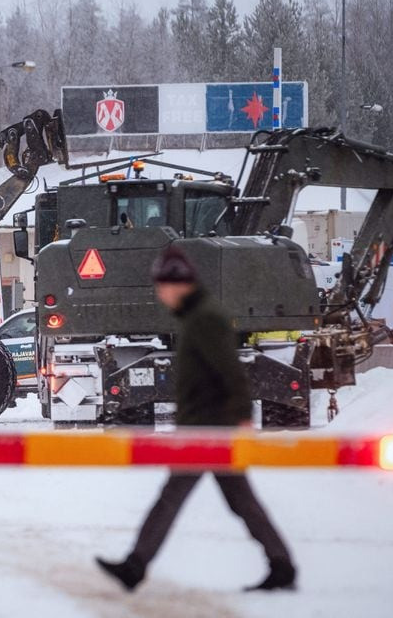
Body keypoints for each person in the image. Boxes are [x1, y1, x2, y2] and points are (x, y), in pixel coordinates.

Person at [95, 245, 296, 592]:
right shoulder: (196, 316)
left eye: (162, 287)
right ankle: (282, 565)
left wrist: (243, 418)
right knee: (240, 501)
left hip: (210, 428)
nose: (160, 294)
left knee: (172, 497)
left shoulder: (205, 318)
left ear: (178, 284)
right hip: (205, 425)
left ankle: (135, 566)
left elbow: (230, 371)